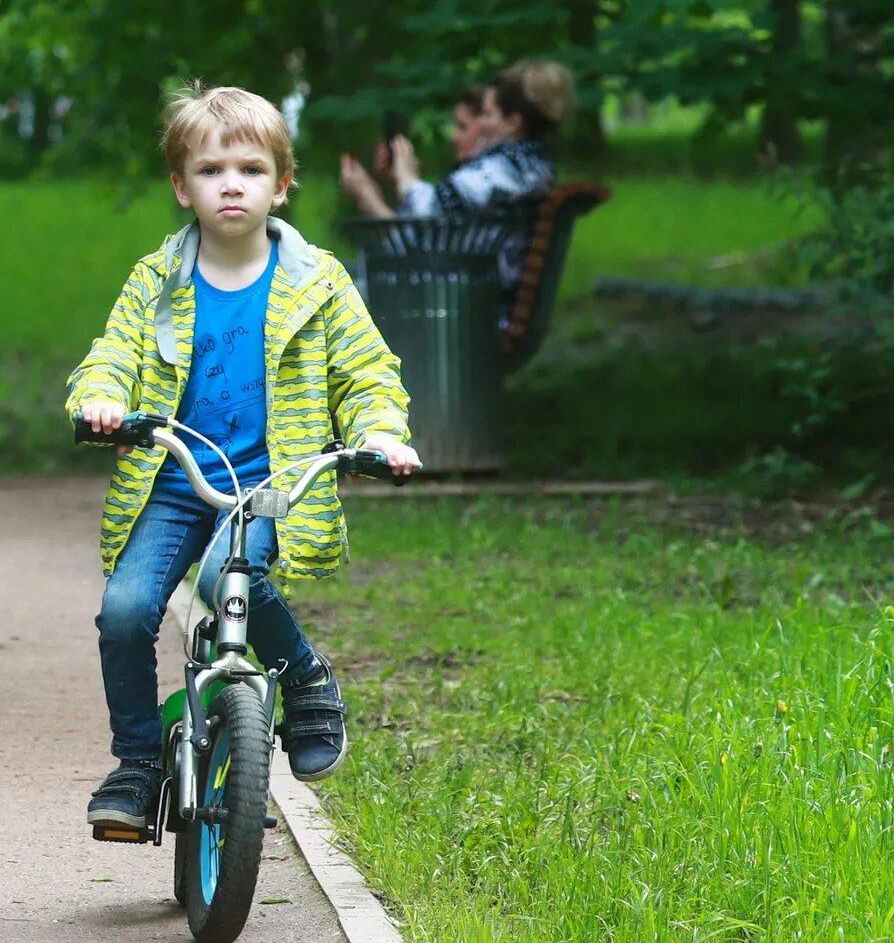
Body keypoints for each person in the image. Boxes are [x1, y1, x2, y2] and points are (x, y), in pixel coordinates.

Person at [69, 84, 419, 834]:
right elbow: (112, 357)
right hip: (175, 479)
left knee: (228, 575)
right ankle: (135, 765)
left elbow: (366, 373)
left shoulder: (316, 283)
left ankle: (305, 678)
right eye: (211, 170)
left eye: (252, 169)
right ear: (181, 187)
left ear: (282, 184)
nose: (232, 184)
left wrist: (381, 432)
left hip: (269, 482)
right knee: (125, 612)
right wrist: (100, 401)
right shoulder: (157, 282)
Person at [339, 59, 576, 294]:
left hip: (471, 307)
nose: (481, 124)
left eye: (487, 114)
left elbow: (427, 216)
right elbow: (430, 231)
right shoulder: (528, 167)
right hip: (475, 295)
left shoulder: (504, 171)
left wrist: (404, 179)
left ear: (513, 123)